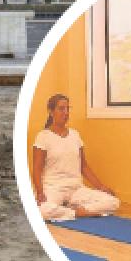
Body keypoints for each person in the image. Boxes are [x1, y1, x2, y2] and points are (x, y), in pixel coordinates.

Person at [31, 93, 119, 221]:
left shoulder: (75, 135)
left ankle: (70, 209)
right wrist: (39, 192)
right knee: (41, 210)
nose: (66, 112)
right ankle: (77, 213)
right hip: (53, 188)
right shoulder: (43, 137)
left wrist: (101, 187)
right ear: (51, 112)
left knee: (113, 202)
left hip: (75, 188)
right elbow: (37, 169)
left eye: (68, 109)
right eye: (61, 109)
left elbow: (84, 166)